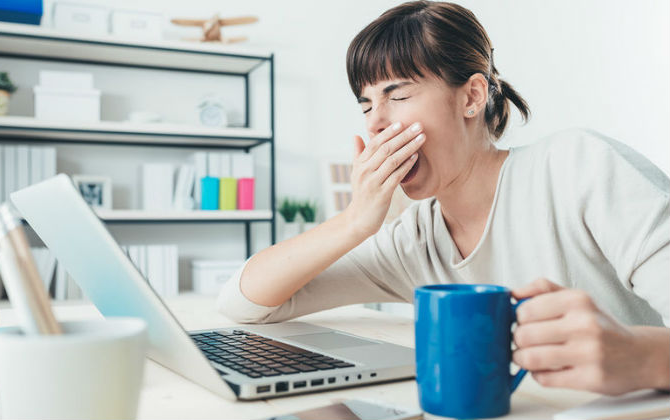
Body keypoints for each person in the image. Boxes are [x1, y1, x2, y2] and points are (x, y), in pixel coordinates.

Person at [217, 1, 669, 395]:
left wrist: (640, 356)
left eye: (397, 94)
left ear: (472, 96)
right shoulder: (413, 240)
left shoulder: (577, 166)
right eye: (367, 105)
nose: (375, 123)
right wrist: (354, 221)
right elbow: (246, 303)